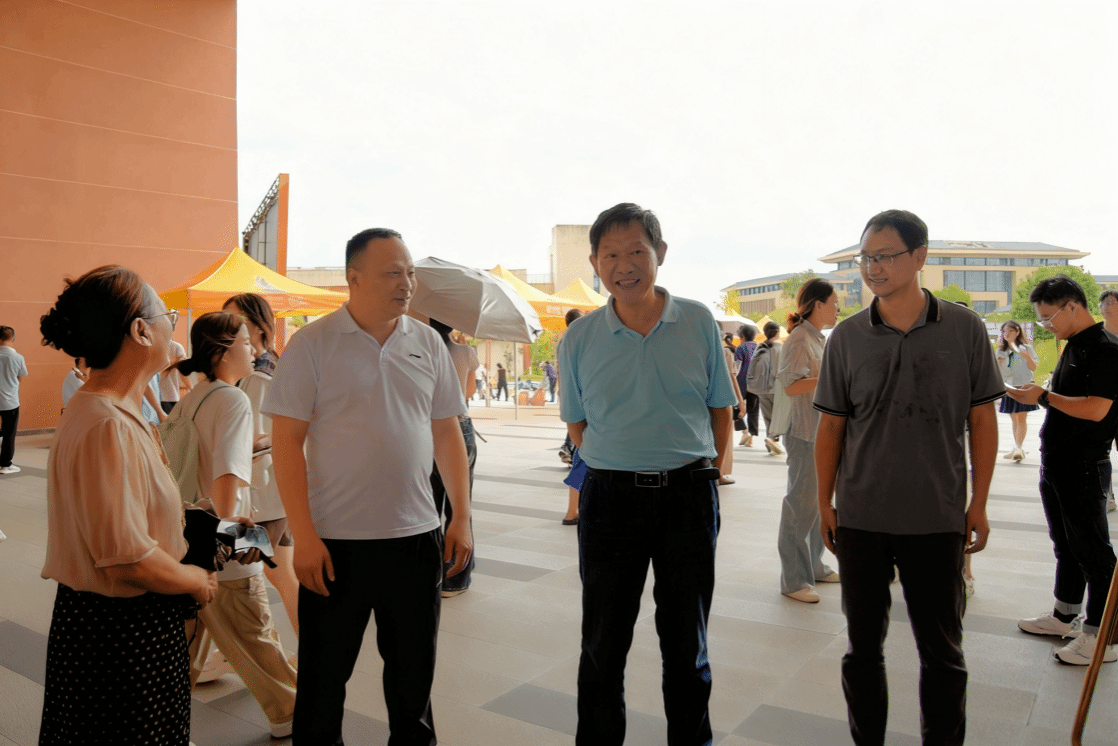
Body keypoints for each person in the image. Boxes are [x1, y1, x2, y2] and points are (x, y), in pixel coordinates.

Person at [264, 227, 472, 745]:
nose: (407, 284)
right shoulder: (313, 344)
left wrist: (461, 517)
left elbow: (447, 431)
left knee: (412, 683)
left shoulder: (427, 342)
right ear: (353, 279)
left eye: (410, 273)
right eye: (392, 273)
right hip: (334, 545)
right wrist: (303, 536)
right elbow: (286, 443)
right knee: (323, 683)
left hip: (415, 539)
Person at [815, 210, 1003, 746]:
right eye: (866, 258)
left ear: (920, 257)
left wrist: (979, 503)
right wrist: (824, 503)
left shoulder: (964, 328)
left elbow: (983, 420)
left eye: (885, 256)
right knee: (862, 650)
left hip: (937, 517)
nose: (872, 268)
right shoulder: (847, 336)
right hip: (862, 518)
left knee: (942, 653)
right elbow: (832, 426)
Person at [558, 203, 735, 745]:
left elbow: (720, 411)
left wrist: (702, 469)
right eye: (610, 255)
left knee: (687, 645)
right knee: (603, 645)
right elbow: (578, 424)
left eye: (636, 251)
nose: (624, 265)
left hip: (687, 497)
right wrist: (621, 460)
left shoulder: (698, 321)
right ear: (595, 263)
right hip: (609, 502)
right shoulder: (579, 338)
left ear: (659, 252)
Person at [38, 265, 218, 744]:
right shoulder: (107, 422)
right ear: (140, 330)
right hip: (121, 637)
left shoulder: (113, 410)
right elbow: (126, 559)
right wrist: (196, 580)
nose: (172, 328)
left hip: (113, 629)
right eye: (167, 317)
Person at [173, 312, 298, 736]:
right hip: (227, 529)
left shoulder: (195, 395)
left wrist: (257, 445)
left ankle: (165, 717)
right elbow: (227, 474)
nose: (253, 349)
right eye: (245, 342)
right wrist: (228, 534)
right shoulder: (234, 399)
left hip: (190, 529)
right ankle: (289, 710)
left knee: (191, 638)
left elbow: (207, 457)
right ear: (221, 351)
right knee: (254, 624)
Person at [1008, 275, 1118, 665]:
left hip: (1084, 465)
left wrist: (1044, 397)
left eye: (1049, 318)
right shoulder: (1074, 344)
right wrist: (1035, 395)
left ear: (1073, 306)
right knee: (1066, 544)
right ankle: (1064, 614)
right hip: (1058, 462)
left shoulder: (1105, 349)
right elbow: (1063, 399)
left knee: (1094, 552)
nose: (1046, 326)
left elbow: (1097, 409)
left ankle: (1103, 637)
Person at [222, 292, 301, 634]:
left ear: (257, 328)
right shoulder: (269, 366)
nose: (228, 327)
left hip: (259, 501)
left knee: (241, 571)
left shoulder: (257, 377)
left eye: (235, 320)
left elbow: (255, 441)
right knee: (279, 574)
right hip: (272, 498)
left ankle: (255, 648)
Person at [770, 278, 840, 603]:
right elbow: (791, 385)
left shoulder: (816, 338)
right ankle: (794, 580)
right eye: (834, 303)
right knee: (800, 506)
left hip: (819, 432)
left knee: (816, 504)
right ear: (818, 304)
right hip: (804, 433)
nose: (838, 308)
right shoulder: (799, 339)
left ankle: (814, 566)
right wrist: (831, 377)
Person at [429, 317, 479, 596]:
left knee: (428, 507)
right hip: (461, 427)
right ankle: (456, 579)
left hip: (427, 429)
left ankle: (431, 575)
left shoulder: (420, 350)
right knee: (460, 506)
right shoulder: (465, 352)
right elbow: (469, 392)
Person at [995, 321, 1039, 462]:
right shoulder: (1001, 351)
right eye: (1004, 331)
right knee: (1014, 418)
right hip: (1008, 387)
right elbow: (997, 371)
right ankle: (1016, 448)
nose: (1006, 334)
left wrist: (1027, 357)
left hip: (1024, 386)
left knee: (1021, 417)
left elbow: (1034, 368)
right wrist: (998, 363)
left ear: (1017, 331)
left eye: (1010, 331)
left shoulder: (1026, 348)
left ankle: (1018, 447)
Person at [749, 321, 784, 455]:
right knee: (778, 417)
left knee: (768, 417)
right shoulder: (781, 348)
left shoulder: (760, 348)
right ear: (778, 333)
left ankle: (771, 442)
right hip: (777, 388)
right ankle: (772, 439)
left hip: (762, 389)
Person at [717, 330, 748, 485]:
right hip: (723, 399)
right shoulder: (725, 353)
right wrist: (741, 402)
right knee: (724, 438)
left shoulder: (698, 350)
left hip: (703, 400)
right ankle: (719, 473)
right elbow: (732, 378)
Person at [0, 326, 28, 475]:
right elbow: (20, 378)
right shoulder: (18, 358)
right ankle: (5, 465)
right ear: (13, 338)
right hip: (10, 402)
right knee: (9, 434)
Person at [1100, 289, 1118, 513]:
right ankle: (1107, 496)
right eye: (1104, 303)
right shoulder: (1095, 338)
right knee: (1100, 453)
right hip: (1102, 404)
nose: (1107, 306)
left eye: (1112, 302)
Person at [734, 324, 760, 446]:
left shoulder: (740, 348)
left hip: (742, 383)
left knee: (735, 407)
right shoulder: (759, 347)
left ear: (742, 337)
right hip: (756, 383)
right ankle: (751, 436)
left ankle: (744, 431)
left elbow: (737, 367)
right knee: (754, 410)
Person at [160, 338, 189, 414]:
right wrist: (191, 387)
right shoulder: (177, 347)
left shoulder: (151, 345)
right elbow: (184, 372)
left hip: (154, 396)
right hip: (171, 395)